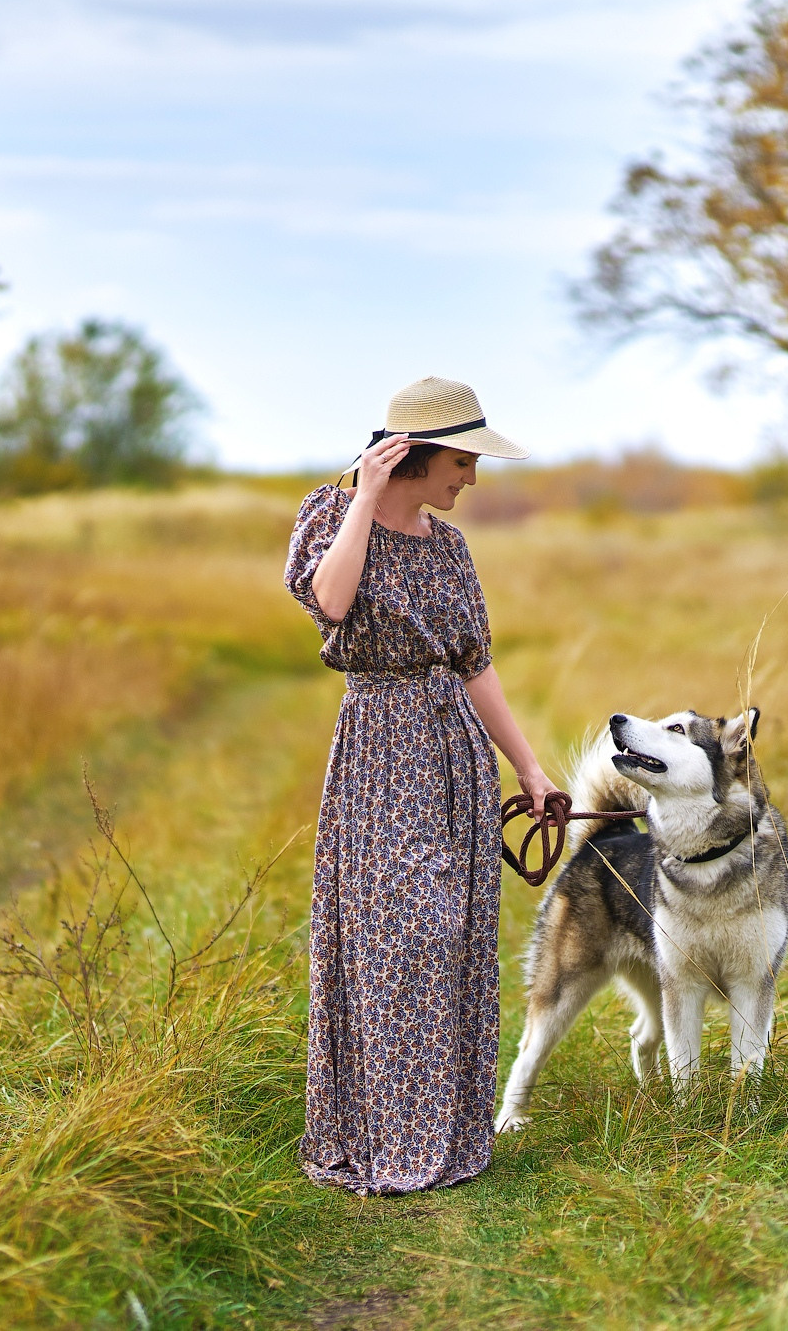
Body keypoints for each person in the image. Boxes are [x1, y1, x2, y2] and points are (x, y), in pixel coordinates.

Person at [283, 375, 557, 1195]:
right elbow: (330, 604)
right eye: (464, 461)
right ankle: (382, 1133)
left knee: (454, 938)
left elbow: (474, 663)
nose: (470, 478)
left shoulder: (449, 548)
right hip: (380, 748)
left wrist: (530, 765)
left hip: (456, 756)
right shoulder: (330, 517)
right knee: (402, 935)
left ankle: (443, 1133)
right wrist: (365, 498)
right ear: (417, 455)